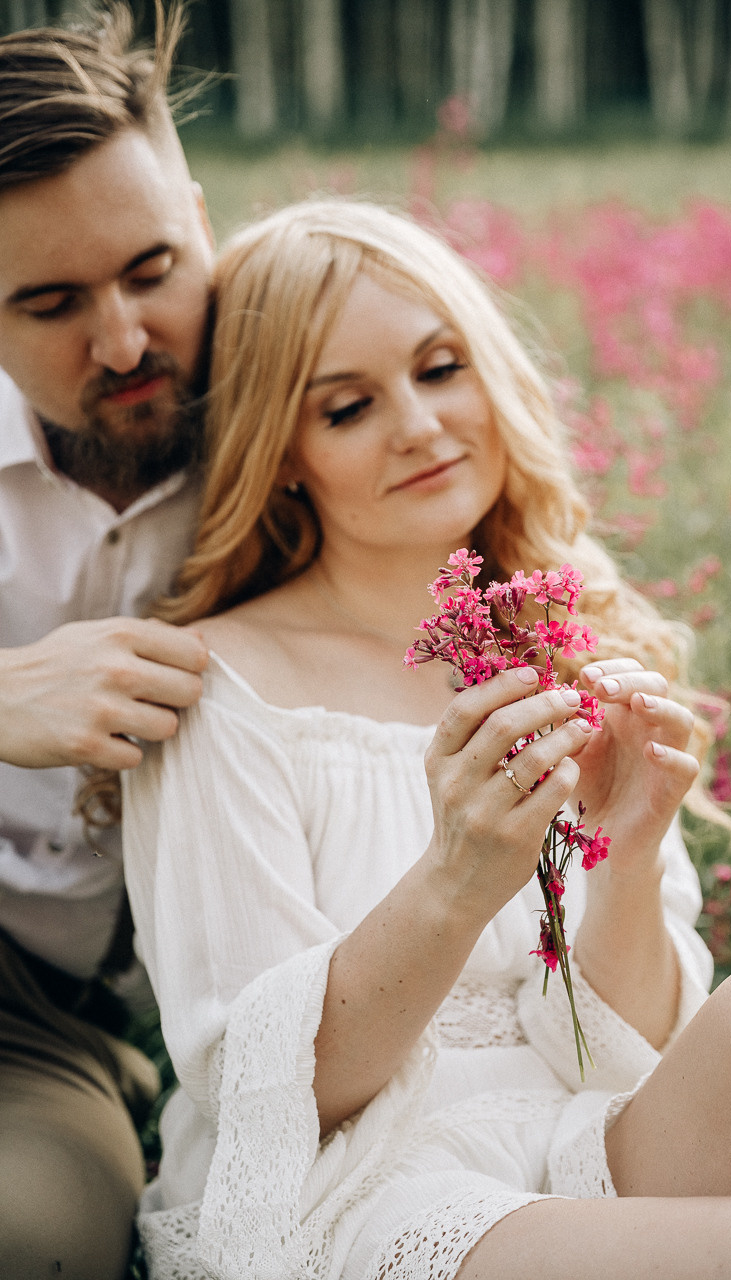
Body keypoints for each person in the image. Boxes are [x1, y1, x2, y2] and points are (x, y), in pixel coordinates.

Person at [122, 199, 731, 1280]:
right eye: (347, 407)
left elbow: (623, 1048)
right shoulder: (220, 687)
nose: (417, 423)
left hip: (575, 1142)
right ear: (279, 452)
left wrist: (629, 852)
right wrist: (460, 878)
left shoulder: (554, 651)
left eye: (439, 366)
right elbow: (268, 1094)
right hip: (353, 1192)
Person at [0, 4, 213, 1276]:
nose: (125, 342)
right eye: (51, 303)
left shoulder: (314, 413)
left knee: (35, 1238)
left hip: (47, 1028)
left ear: (199, 213)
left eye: (152, 269)